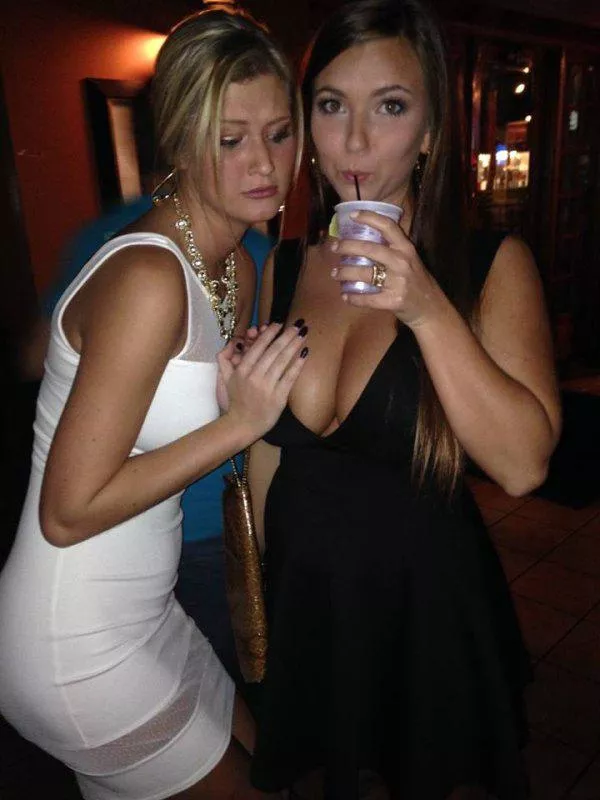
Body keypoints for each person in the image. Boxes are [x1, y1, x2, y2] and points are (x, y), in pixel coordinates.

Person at [247, 1, 562, 798]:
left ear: (429, 132)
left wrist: (426, 308)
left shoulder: (489, 263)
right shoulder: (282, 266)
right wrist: (264, 580)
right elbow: (268, 448)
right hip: (309, 601)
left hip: (425, 613)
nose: (354, 141)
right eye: (331, 106)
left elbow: (524, 465)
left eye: (389, 107)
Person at [0, 6, 307, 800]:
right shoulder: (148, 276)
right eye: (230, 139)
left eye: (280, 133)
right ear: (178, 140)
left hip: (150, 612)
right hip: (74, 642)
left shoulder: (236, 263)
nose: (265, 163)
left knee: (266, 768)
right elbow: (67, 511)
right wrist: (240, 422)